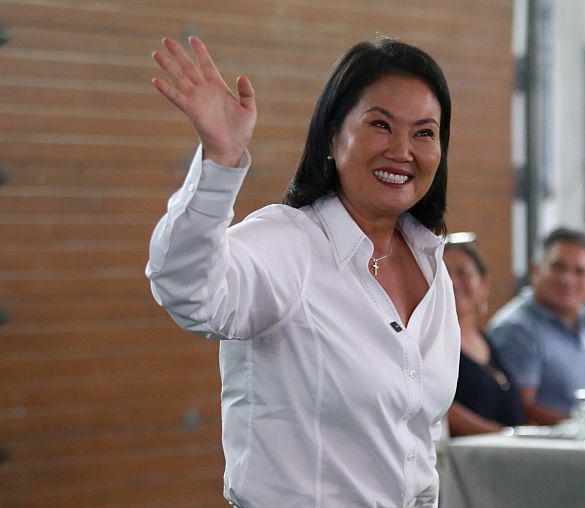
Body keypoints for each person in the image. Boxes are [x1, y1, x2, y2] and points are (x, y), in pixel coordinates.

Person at [145, 36, 459, 507]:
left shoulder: (429, 261)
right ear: (333, 137)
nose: (402, 150)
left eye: (424, 132)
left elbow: (417, 445)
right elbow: (189, 291)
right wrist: (220, 163)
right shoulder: (288, 243)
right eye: (380, 124)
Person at [489, 227, 585, 425]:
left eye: (579, 271)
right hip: (543, 452)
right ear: (535, 270)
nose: (567, 279)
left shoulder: (580, 322)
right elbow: (520, 409)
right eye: (558, 267)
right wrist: (584, 426)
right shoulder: (517, 328)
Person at [444, 235, 524, 436]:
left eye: (462, 273)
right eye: (443, 273)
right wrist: (503, 437)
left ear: (484, 283)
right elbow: (440, 407)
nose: (452, 282)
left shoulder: (487, 341)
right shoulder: (428, 344)